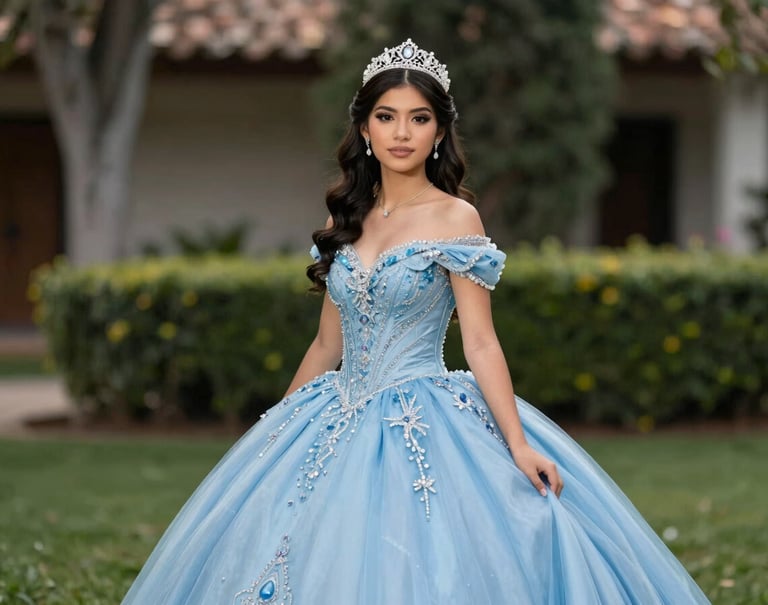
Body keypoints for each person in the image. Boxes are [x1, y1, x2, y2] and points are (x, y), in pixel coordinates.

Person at [122, 39, 710, 604]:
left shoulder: (457, 217)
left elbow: (480, 341)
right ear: (364, 129)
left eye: (419, 118)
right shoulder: (347, 217)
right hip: (334, 411)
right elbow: (327, 342)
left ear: (438, 132)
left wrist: (518, 444)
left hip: (423, 414)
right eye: (386, 116)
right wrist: (272, 437)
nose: (401, 132)